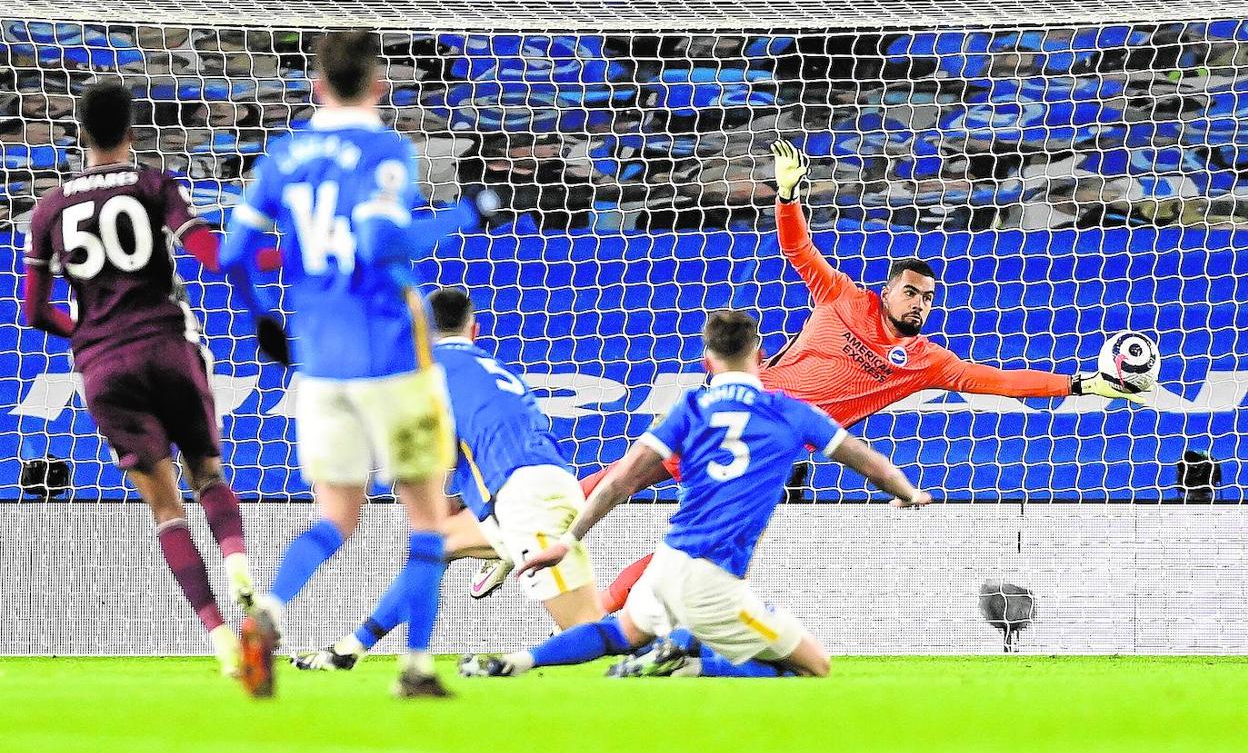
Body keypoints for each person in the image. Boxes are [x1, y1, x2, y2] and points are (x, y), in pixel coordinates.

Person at [566, 139, 1152, 612]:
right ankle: (522, 529)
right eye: (910, 291)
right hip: (731, 414)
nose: (919, 303)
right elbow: (799, 250)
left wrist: (1082, 384)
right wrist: (789, 197)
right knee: (617, 483)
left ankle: (602, 607)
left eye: (928, 297)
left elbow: (999, 380)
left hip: (770, 448)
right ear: (888, 288)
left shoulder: (927, 361)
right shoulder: (842, 298)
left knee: (698, 549)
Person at [459, 309, 932, 680]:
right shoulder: (790, 411)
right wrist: (909, 492)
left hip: (666, 564)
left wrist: (569, 539)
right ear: (761, 356)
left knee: (616, 632)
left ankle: (517, 661)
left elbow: (621, 480)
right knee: (814, 665)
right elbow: (864, 458)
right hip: (716, 578)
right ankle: (690, 664)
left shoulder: (690, 405)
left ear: (706, 361)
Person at [221, 30, 469, 698]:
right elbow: (379, 240)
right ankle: (415, 669)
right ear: (380, 85)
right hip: (391, 357)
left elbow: (232, 253)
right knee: (426, 519)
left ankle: (268, 611)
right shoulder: (388, 149)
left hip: (321, 364)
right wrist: (466, 216)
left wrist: (264, 321)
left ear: (316, 86)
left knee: (334, 518)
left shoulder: (285, 153)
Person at [22, 80, 257, 678]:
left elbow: (32, 311)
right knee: (206, 474)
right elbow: (206, 252)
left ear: (79, 132)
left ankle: (218, 637)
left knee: (165, 510)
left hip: (103, 364)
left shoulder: (49, 207)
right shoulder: (154, 184)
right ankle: (239, 569)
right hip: (167, 344)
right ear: (132, 128)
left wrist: (83, 332)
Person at [291, 288, 605, 671]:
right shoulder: (494, 369)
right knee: (439, 544)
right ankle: (349, 649)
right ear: (474, 329)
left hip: (526, 504)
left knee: (595, 633)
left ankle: (689, 656)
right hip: (537, 488)